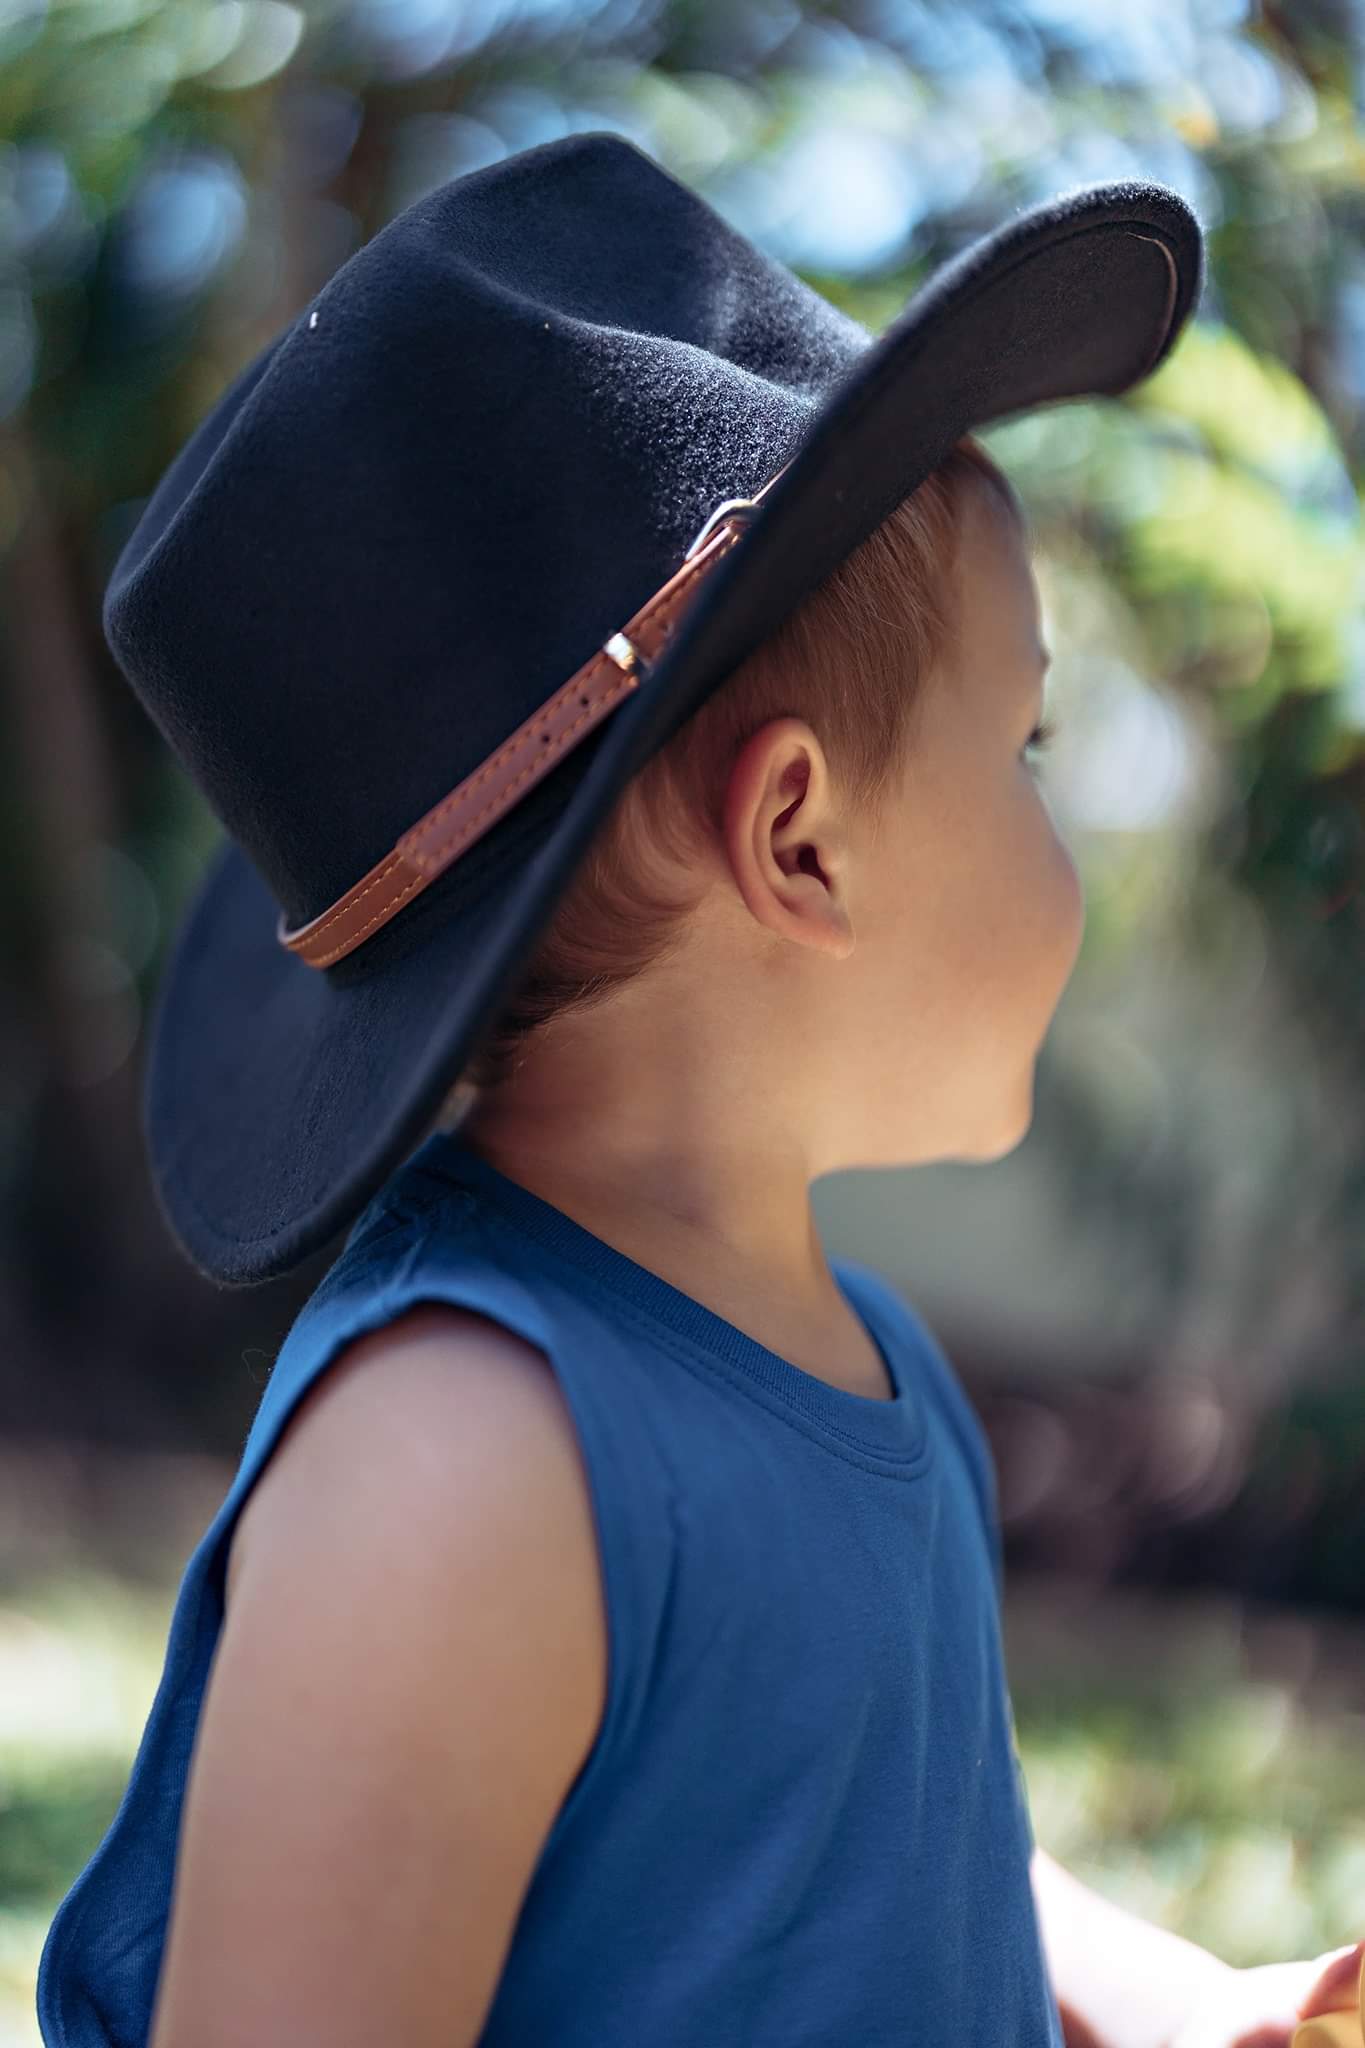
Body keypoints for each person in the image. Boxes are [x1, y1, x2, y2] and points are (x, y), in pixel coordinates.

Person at [35, 133, 1362, 2048]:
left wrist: (1163, 2002)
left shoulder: (861, 1358)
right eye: (1033, 744)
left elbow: (877, 1832)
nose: (1065, 815)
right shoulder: (461, 1466)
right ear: (802, 841)